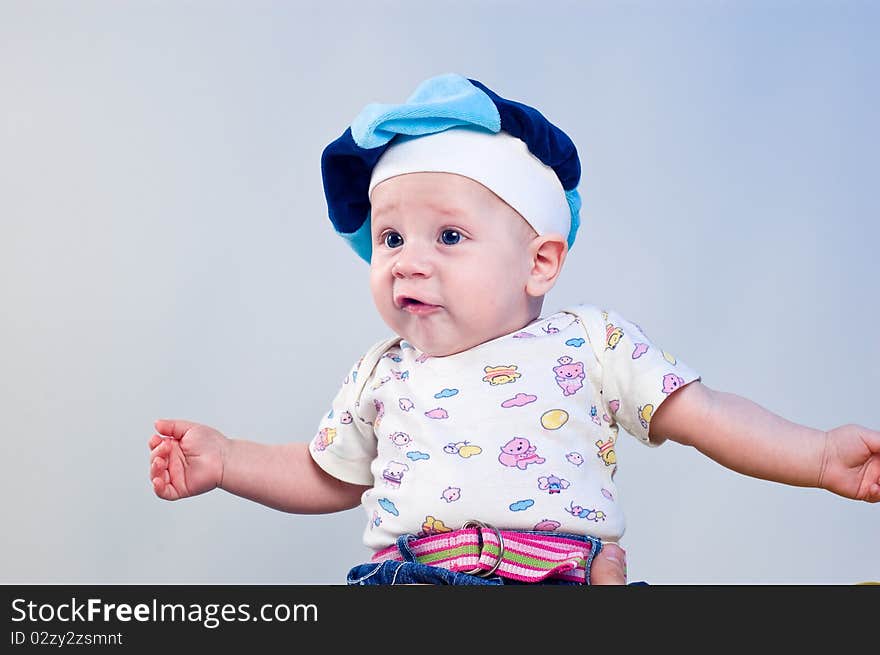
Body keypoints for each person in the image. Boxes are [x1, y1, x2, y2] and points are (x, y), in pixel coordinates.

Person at [149, 73, 879, 586]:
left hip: (565, 576)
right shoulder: (384, 372)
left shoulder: (589, 344)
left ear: (540, 262)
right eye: (390, 238)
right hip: (414, 581)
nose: (408, 262)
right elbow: (326, 472)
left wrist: (817, 456)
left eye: (449, 236)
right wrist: (228, 459)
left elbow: (707, 415)